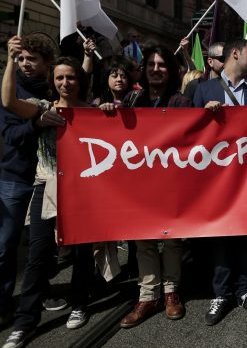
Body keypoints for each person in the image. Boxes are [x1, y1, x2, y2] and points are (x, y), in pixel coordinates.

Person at [2, 50, 97, 347]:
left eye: (70, 77)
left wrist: (106, 109)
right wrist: (8, 61)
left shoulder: (91, 111)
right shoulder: (42, 109)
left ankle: (80, 303)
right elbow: (8, 102)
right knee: (38, 256)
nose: (65, 83)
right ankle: (25, 321)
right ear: (52, 81)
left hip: (83, 191)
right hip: (47, 188)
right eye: (59, 78)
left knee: (82, 253)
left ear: (79, 81)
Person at [111, 47, 191, 329]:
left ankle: (170, 292)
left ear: (170, 70)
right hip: (139, 184)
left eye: (162, 65)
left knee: (171, 240)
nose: (156, 69)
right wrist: (106, 113)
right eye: (151, 65)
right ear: (144, 70)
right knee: (143, 240)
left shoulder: (182, 102)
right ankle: (148, 296)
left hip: (171, 184)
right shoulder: (132, 99)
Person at [193, 39, 247, 326]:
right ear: (236, 54)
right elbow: (190, 137)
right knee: (222, 237)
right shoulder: (204, 90)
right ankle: (221, 294)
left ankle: (245, 290)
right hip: (216, 181)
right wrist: (203, 115)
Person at [0, 34, 55, 328]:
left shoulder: (53, 89)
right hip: (15, 178)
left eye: (32, 59)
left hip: (47, 180)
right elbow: (10, 134)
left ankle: (41, 291)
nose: (25, 64)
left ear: (47, 63)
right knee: (5, 245)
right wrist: (35, 124)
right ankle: (4, 303)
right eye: (21, 59)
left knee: (41, 245)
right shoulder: (13, 90)